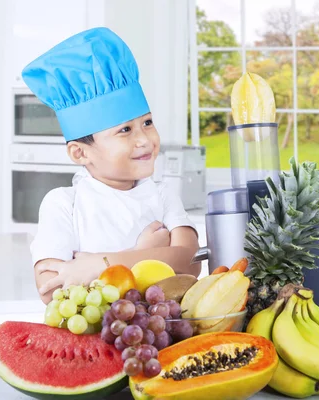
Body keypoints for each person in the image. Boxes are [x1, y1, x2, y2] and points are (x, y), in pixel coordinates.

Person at [22, 27, 200, 304]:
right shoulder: (63, 204)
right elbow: (50, 289)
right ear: (80, 153)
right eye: (125, 131)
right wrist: (149, 254)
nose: (144, 140)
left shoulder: (163, 195)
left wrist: (98, 265)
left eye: (147, 123)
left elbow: (190, 262)